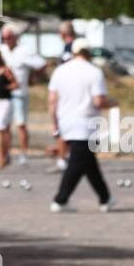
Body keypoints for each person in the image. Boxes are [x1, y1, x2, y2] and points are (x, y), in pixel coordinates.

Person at [48, 37, 117, 212]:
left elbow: (52, 100)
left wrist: (54, 122)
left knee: (88, 162)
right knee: (77, 163)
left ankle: (105, 198)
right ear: (89, 53)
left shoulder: (60, 71)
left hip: (66, 121)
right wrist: (113, 103)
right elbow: (98, 101)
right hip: (85, 122)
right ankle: (60, 200)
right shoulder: (94, 72)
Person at [0, 24, 46, 166]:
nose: (6, 40)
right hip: (4, 93)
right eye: (4, 38)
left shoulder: (24, 51)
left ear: (15, 37)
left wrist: (33, 78)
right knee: (4, 125)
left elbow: (42, 64)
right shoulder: (2, 50)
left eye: (9, 37)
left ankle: (23, 153)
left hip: (19, 93)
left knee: (21, 124)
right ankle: (5, 154)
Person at [52, 20, 79, 170]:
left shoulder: (71, 48)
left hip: (68, 92)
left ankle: (63, 158)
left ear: (63, 34)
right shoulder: (74, 46)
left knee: (63, 125)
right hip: (71, 91)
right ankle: (66, 156)